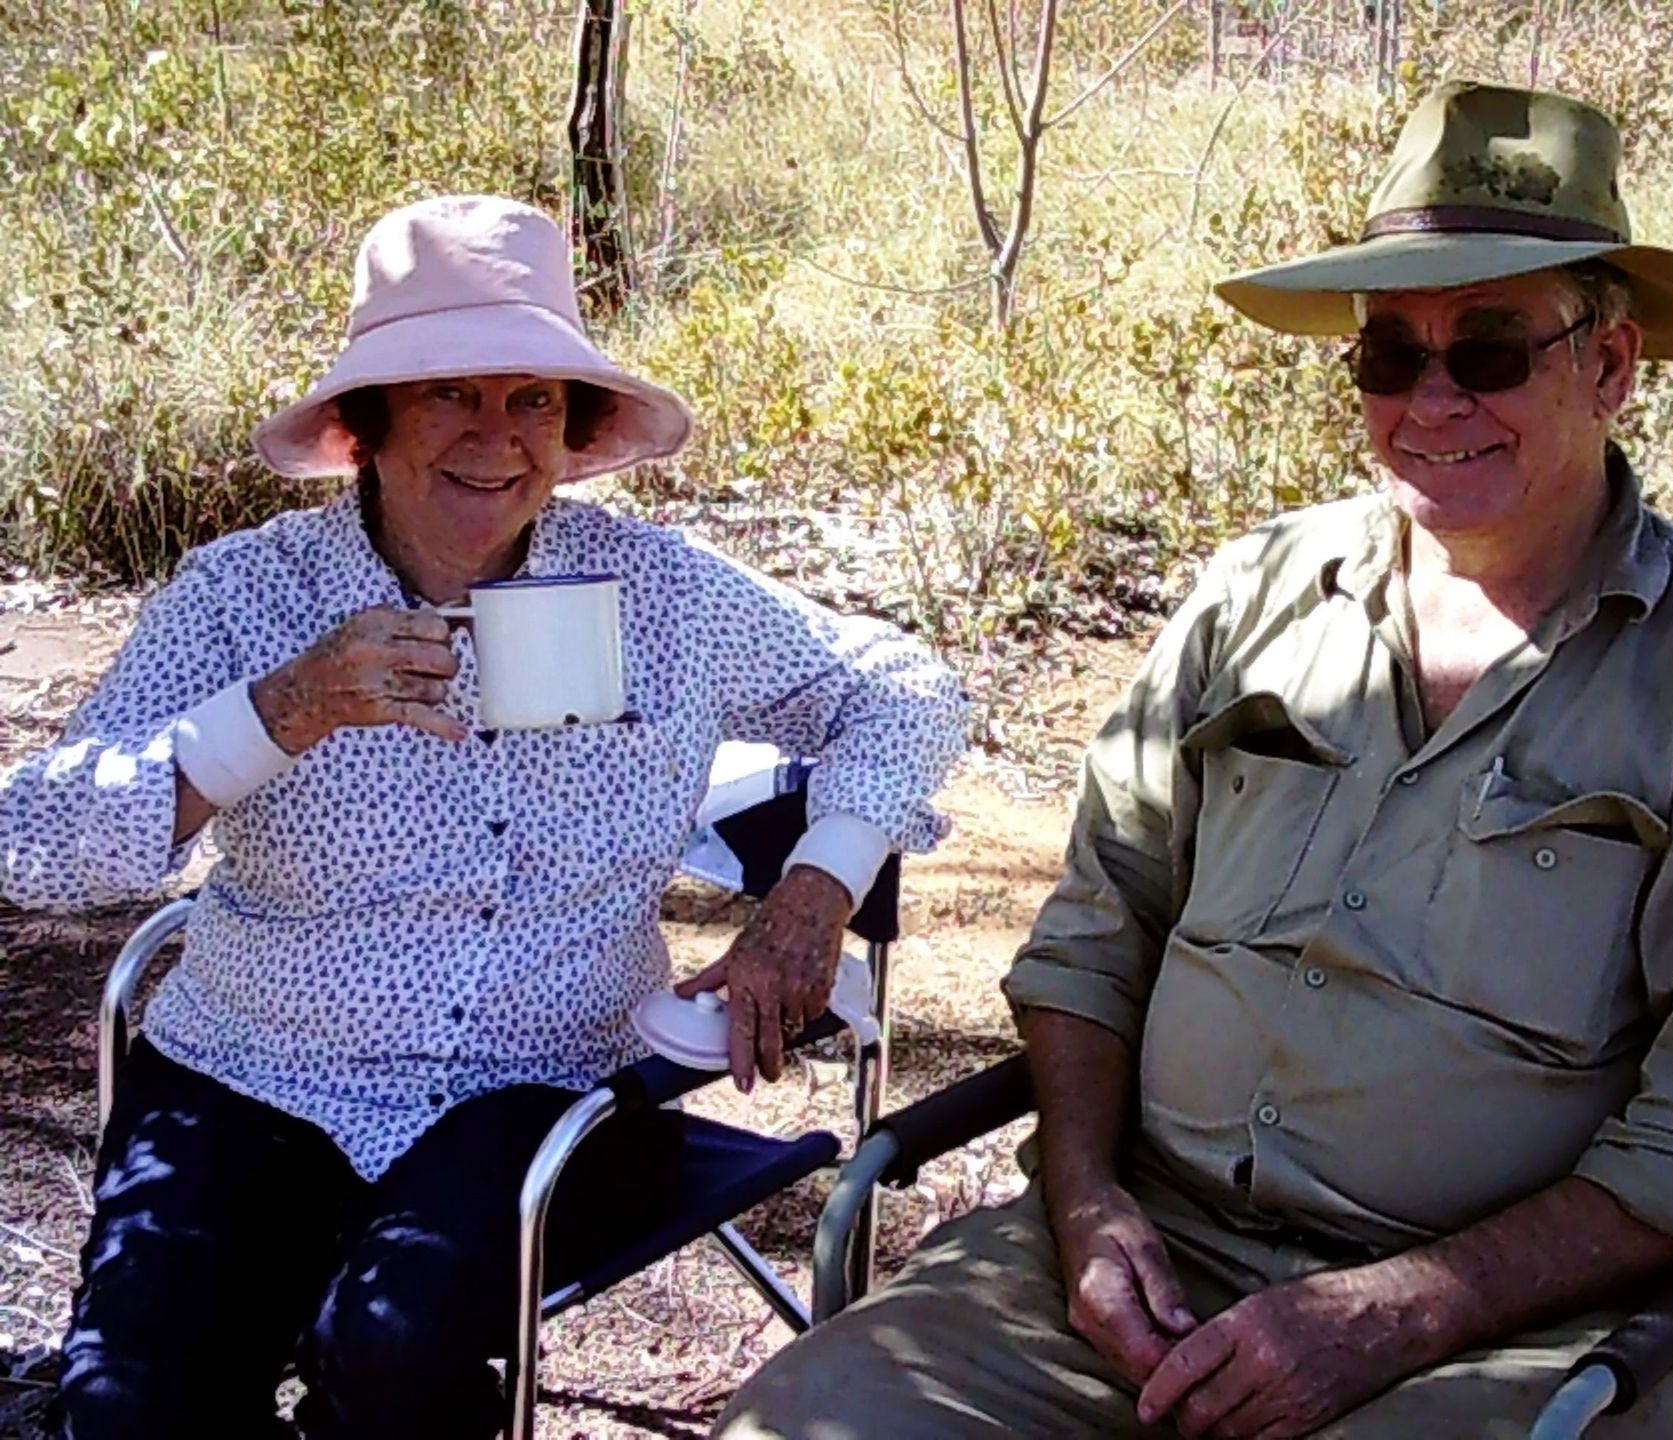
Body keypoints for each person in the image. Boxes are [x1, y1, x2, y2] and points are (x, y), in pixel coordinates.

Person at [715, 82, 1673, 1439]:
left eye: (1490, 349)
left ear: (1609, 367)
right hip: (1129, 1267)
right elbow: (1096, 934)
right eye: (1389, 355)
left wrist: (1400, 1309)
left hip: (1496, 1338)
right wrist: (1085, 1207)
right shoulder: (1255, 593)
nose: (1432, 401)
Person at [2, 193, 966, 1439]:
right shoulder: (247, 596)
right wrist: (279, 711)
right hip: (250, 1063)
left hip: (539, 1074)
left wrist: (813, 891)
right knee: (133, 1413)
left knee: (397, 1368)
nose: (495, 438)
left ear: (574, 433)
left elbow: (903, 690)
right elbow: (29, 846)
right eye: (450, 392)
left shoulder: (655, 591)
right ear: (367, 423)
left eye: (533, 401)